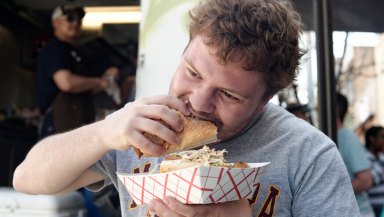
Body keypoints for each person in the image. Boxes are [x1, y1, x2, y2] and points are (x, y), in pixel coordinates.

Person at [13, 0, 359, 216]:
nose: (198, 101)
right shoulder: (139, 127)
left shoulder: (308, 153)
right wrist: (106, 130)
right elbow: (28, 179)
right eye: (192, 73)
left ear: (265, 101)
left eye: (228, 95)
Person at [36, 5, 119, 139]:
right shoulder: (54, 49)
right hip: (59, 124)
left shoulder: (74, 53)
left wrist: (107, 79)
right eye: (70, 19)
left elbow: (86, 89)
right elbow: (66, 83)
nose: (75, 23)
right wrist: (98, 81)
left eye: (79, 21)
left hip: (76, 124)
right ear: (55, 23)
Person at [336, 92, 375, 217]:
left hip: (359, 212)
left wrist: (331, 192)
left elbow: (365, 180)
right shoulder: (338, 136)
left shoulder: (348, 138)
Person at [365, 126, 384, 216]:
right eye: (382, 137)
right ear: (372, 139)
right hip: (373, 208)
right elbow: (372, 179)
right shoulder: (364, 158)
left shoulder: (381, 158)